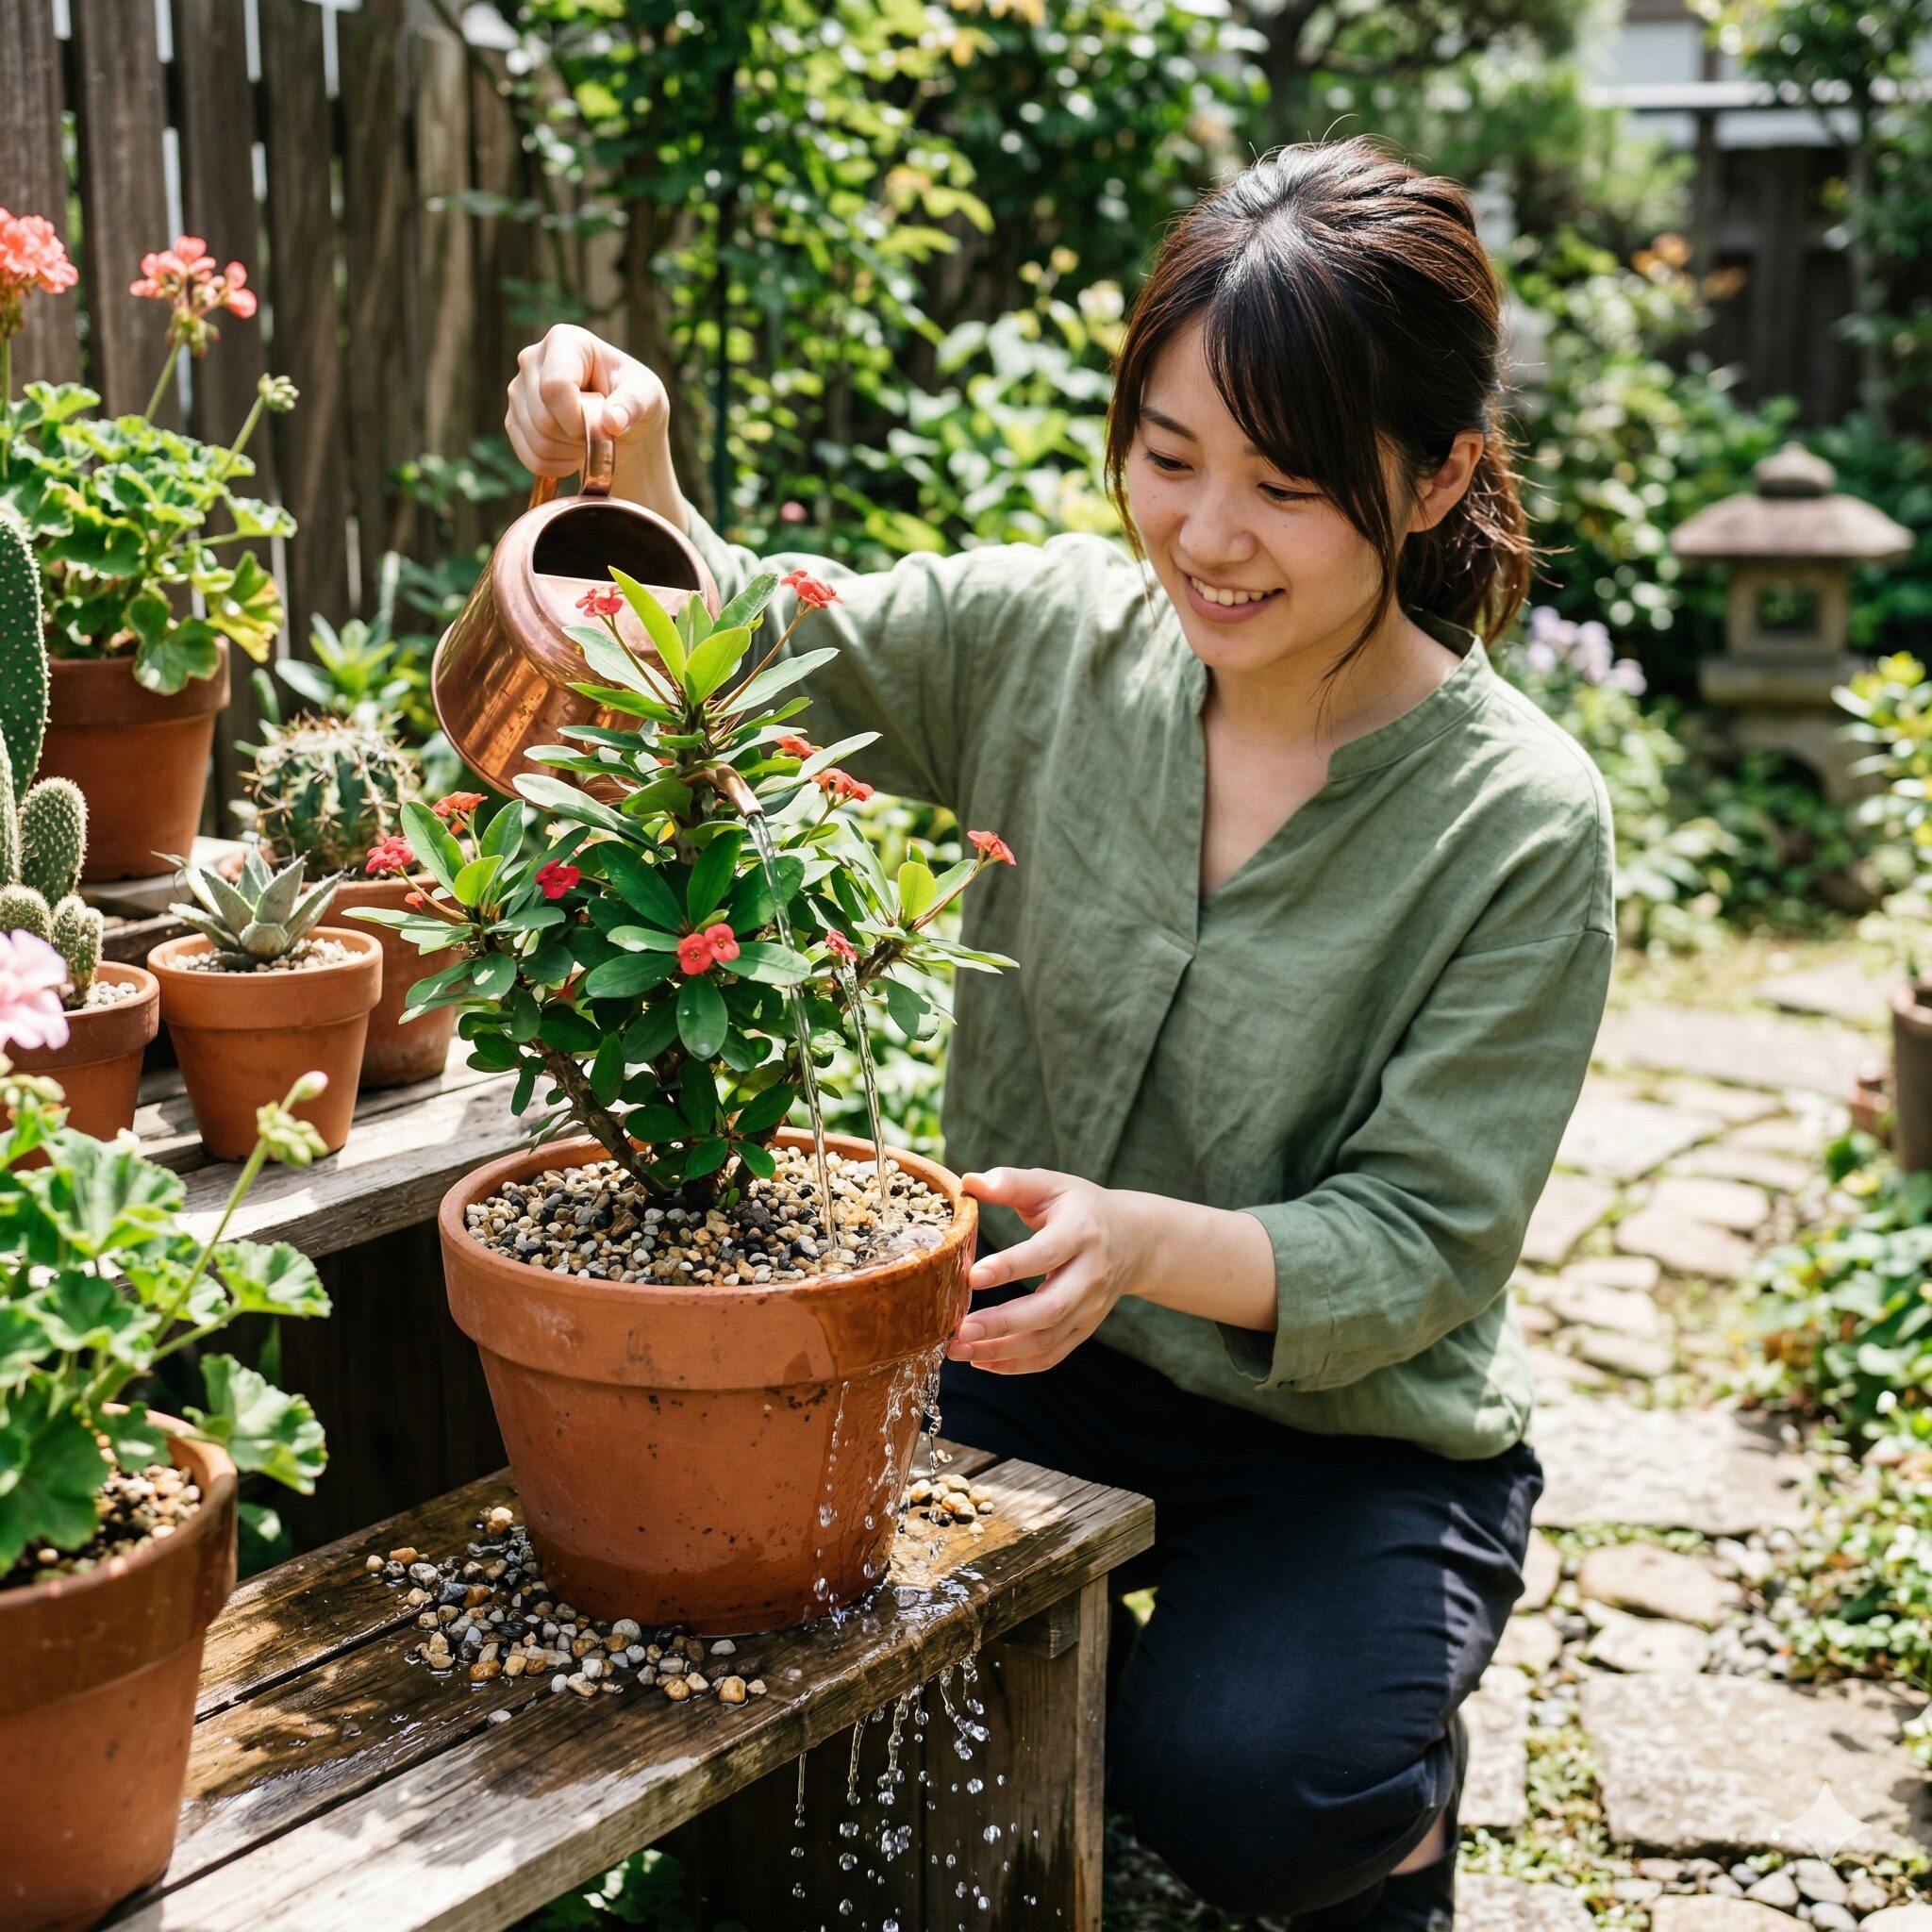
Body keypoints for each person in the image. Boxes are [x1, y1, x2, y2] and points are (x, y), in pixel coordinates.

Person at [504, 134, 1613, 1930]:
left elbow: (1428, 1239)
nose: (1205, 535)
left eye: (1288, 484)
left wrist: (1145, 1240)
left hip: (1338, 1431)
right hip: (1018, 1348)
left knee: (1262, 1784)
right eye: (1168, 460)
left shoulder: (1520, 820)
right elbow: (758, 638)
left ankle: (1393, 1820)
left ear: (1433, 481)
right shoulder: (1047, 638)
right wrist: (635, 473)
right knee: (746, 1615)